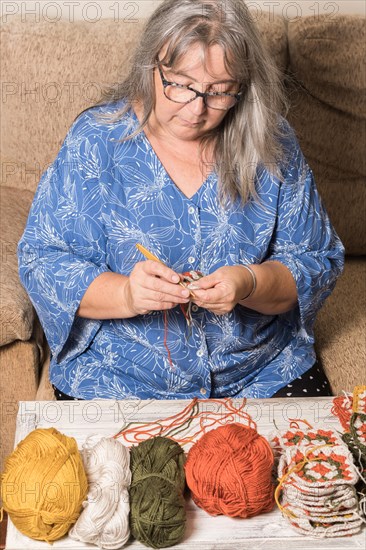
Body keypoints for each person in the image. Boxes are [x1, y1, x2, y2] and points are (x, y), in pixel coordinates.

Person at [18, 0, 344, 401]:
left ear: (243, 86)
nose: (197, 109)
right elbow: (43, 261)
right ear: (152, 64)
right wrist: (126, 294)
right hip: (118, 381)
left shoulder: (272, 144)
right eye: (180, 84)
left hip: (261, 374)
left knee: (323, 461)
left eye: (220, 92)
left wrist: (248, 283)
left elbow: (317, 260)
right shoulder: (96, 141)